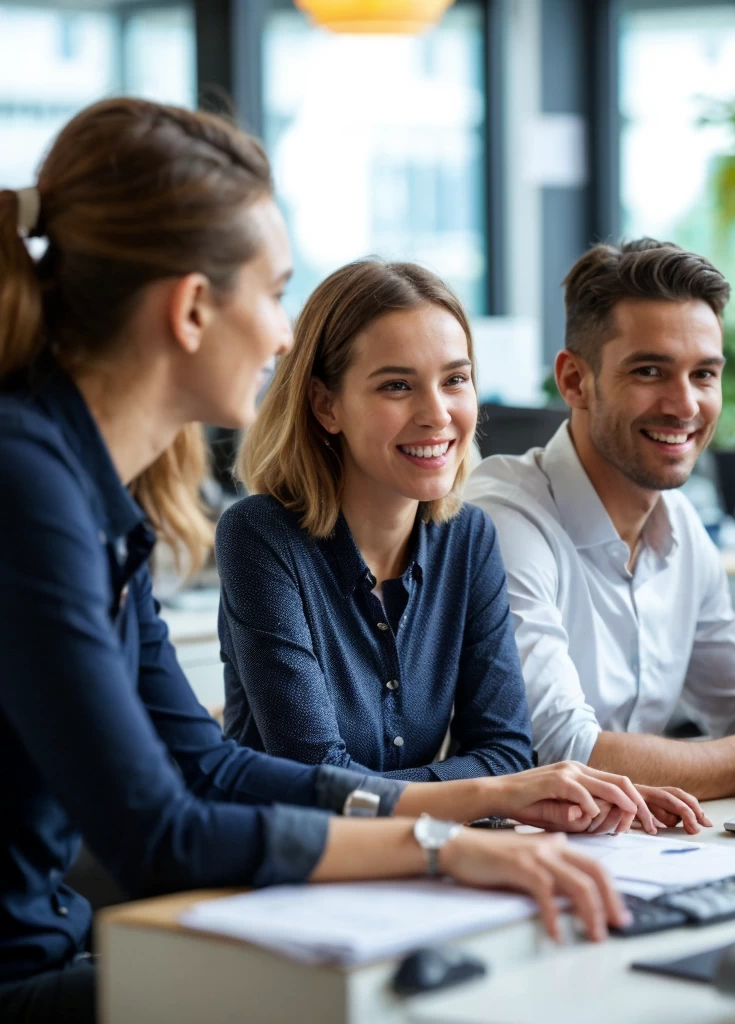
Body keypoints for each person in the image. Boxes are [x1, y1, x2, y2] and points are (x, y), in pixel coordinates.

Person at [0, 99, 639, 1024]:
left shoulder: (97, 496)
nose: (284, 335)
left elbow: (208, 770)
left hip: (57, 949)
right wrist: (441, 845)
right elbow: (159, 835)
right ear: (190, 309)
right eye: (273, 293)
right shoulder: (29, 485)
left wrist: (466, 816)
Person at [216, 258, 708, 837]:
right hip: (279, 879)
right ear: (327, 405)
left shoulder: (467, 538)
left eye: (454, 380)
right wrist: (494, 793)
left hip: (416, 866)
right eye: (397, 385)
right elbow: (316, 780)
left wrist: (496, 787)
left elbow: (504, 751)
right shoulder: (260, 536)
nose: (437, 414)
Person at [465, 239, 735, 800]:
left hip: (633, 850)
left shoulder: (680, 526)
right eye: (650, 371)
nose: (686, 405)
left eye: (704, 375)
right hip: (512, 858)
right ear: (574, 381)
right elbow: (566, 751)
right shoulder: (505, 520)